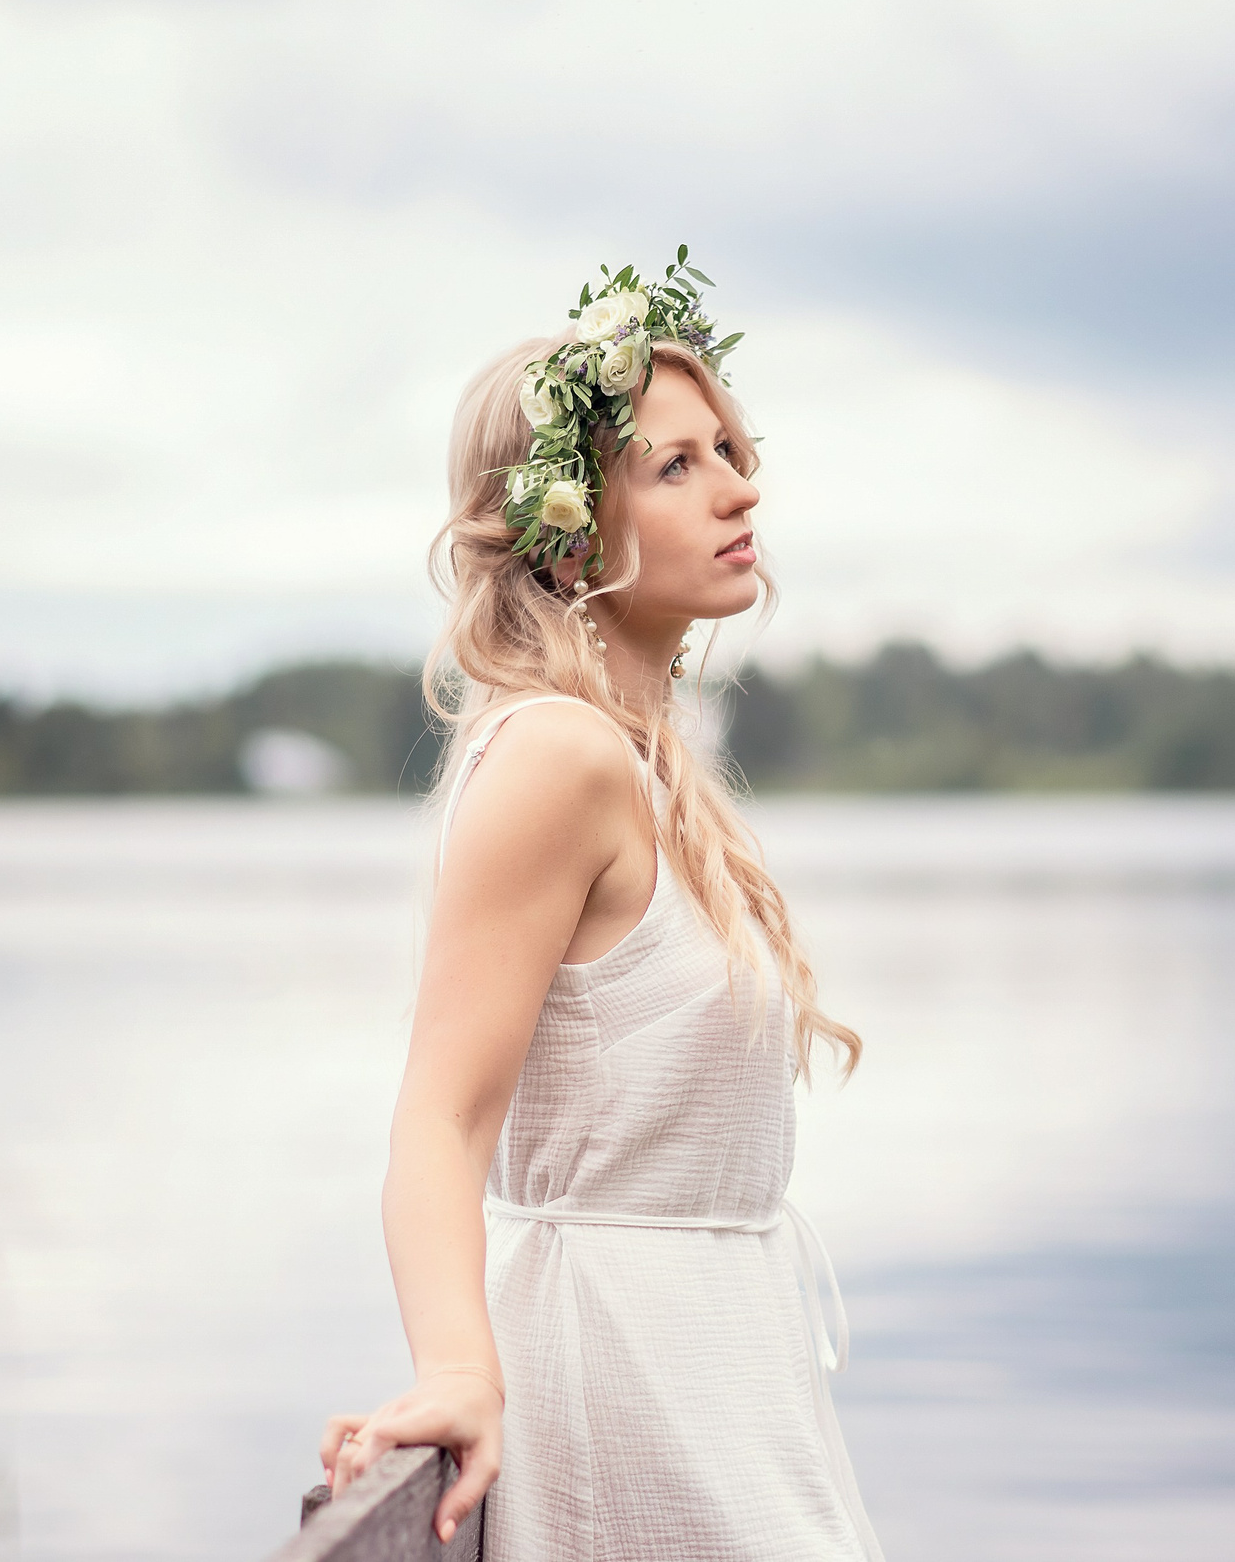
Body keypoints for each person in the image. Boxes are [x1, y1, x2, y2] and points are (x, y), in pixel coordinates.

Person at [318, 255, 882, 1560]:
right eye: (677, 466)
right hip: (626, 1375)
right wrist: (457, 1364)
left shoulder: (640, 759)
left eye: (732, 449)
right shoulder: (558, 756)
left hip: (720, 1360)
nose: (741, 485)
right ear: (571, 526)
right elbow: (440, 1117)